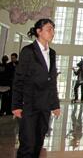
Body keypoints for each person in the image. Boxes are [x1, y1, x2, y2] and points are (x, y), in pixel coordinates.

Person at [12, 18, 61, 158]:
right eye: (49, 29)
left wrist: (55, 105)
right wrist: (16, 105)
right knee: (27, 144)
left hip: (44, 106)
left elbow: (51, 81)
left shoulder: (52, 53)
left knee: (38, 144)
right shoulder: (28, 51)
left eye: (53, 29)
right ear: (39, 31)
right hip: (29, 105)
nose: (52, 32)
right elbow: (19, 79)